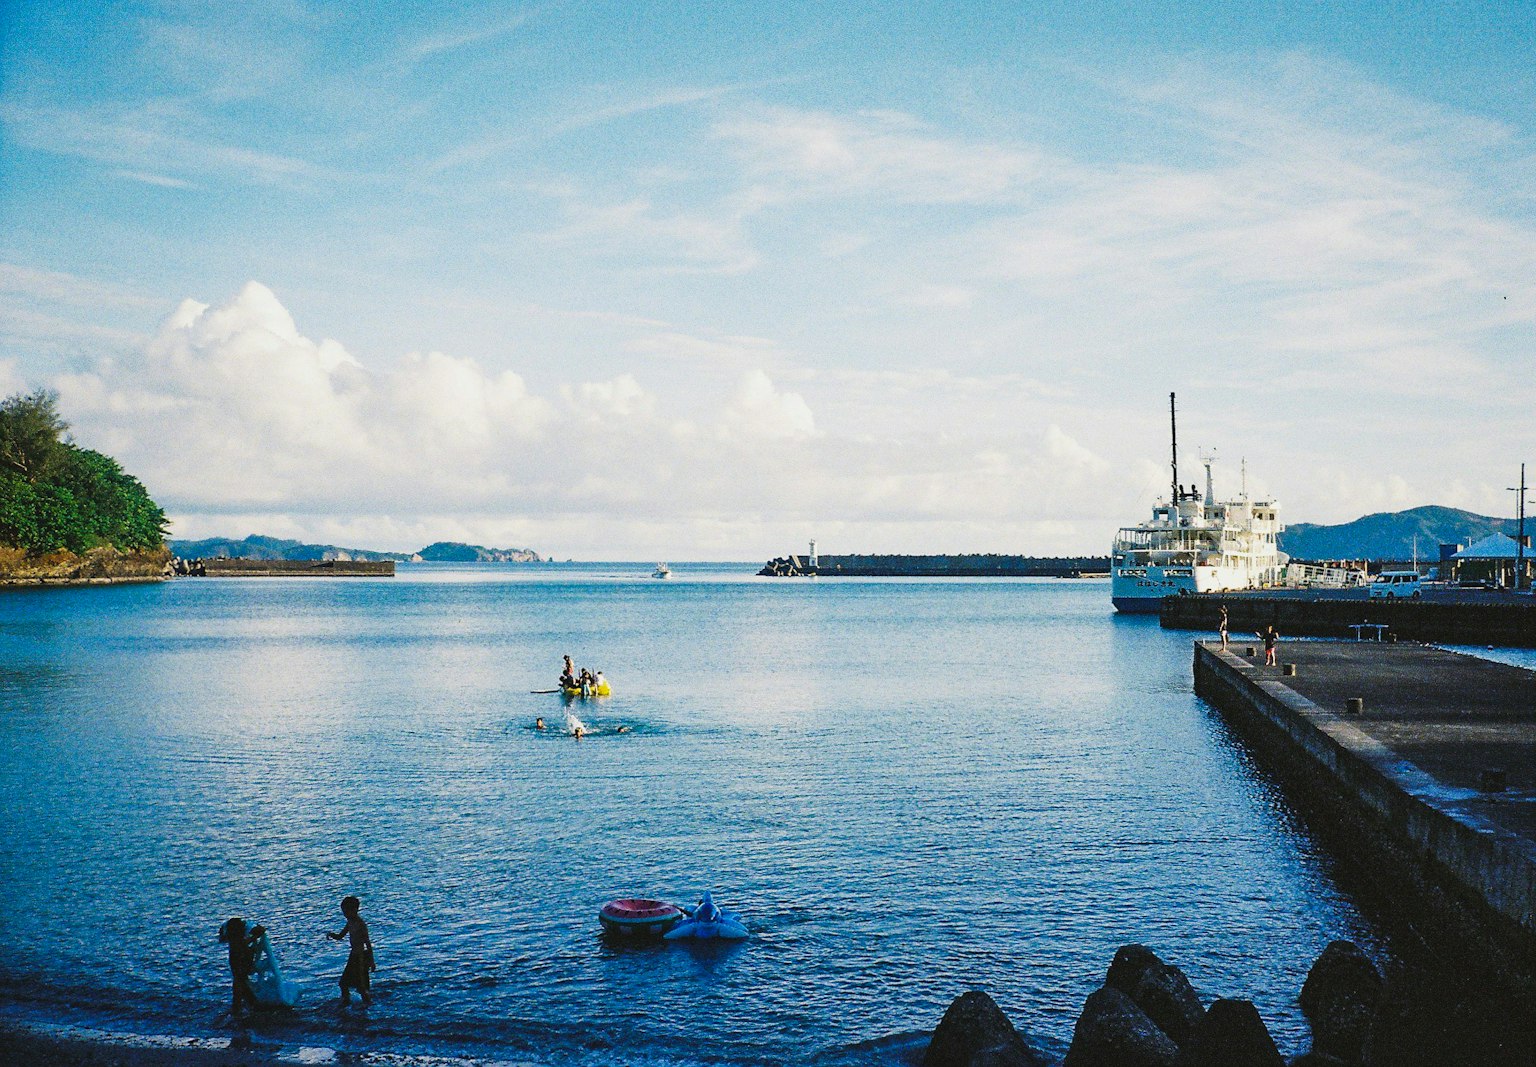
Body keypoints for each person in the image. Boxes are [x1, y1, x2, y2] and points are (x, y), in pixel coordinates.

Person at [326, 895, 375, 1007]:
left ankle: (368, 1004)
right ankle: (346, 1001)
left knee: (362, 986)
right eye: (344, 912)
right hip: (353, 956)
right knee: (343, 983)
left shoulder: (361, 924)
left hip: (361, 957)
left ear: (354, 910)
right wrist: (332, 935)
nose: (345, 915)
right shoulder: (350, 922)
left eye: (346, 912)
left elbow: (368, 944)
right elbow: (340, 936)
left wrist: (371, 961)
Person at [218, 917, 264, 1018]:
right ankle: (247, 1004)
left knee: (240, 978)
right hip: (238, 952)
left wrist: (249, 940)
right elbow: (225, 940)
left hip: (244, 952)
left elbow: (261, 930)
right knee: (239, 978)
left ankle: (244, 1005)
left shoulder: (248, 927)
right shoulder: (226, 930)